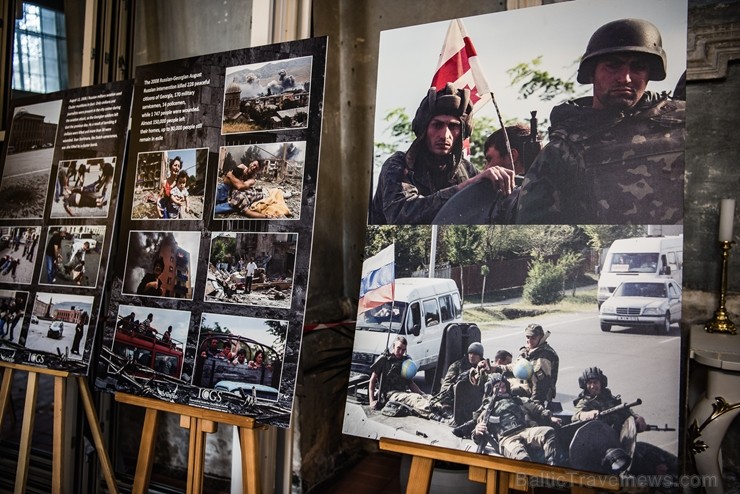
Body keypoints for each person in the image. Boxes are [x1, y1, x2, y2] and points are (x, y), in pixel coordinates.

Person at [517, 18, 685, 225]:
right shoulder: (564, 149)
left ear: (650, 73)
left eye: (638, 67)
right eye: (613, 66)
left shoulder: (682, 122)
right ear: (592, 73)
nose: (625, 78)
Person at [370, 83, 514, 224]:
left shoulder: (466, 170)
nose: (445, 135)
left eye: (453, 126)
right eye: (437, 125)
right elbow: (401, 214)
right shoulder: (400, 164)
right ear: (424, 129)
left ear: (462, 132)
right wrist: (461, 189)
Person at [472, 374, 562, 465]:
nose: (501, 390)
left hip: (525, 430)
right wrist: (477, 431)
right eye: (497, 387)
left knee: (548, 432)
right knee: (522, 458)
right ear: (491, 389)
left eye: (503, 387)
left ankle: (552, 466)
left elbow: (536, 409)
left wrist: (549, 417)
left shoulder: (517, 400)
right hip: (508, 439)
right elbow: (478, 436)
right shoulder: (487, 409)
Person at [368, 336, 441, 420]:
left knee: (429, 397)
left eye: (403, 350)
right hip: (389, 393)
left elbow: (410, 383)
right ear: (393, 346)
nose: (400, 352)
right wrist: (371, 401)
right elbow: (372, 380)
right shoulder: (384, 360)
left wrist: (422, 393)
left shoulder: (405, 361)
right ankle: (434, 415)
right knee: (414, 399)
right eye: (398, 348)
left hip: (402, 392)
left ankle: (443, 411)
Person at [494, 324, 559, 406]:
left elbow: (541, 384)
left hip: (537, 394)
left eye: (533, 338)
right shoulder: (528, 350)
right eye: (528, 337)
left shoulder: (544, 357)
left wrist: (535, 405)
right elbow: (516, 367)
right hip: (524, 386)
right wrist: (496, 369)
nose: (530, 340)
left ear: (541, 337)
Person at [572, 366, 647, 432]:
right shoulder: (584, 402)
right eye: (589, 383)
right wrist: (587, 414)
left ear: (601, 383)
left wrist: (637, 417)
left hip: (615, 435)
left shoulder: (609, 398)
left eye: (595, 382)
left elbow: (625, 411)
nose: (592, 386)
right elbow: (575, 416)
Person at [430, 341, 487, 418]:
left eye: (475, 354)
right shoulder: (457, 366)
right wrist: (445, 402)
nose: (472, 356)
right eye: (470, 353)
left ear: (480, 356)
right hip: (458, 398)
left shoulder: (484, 367)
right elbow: (447, 383)